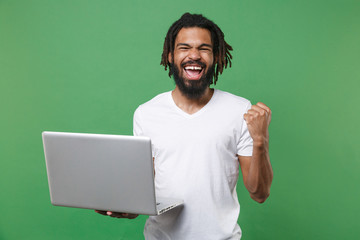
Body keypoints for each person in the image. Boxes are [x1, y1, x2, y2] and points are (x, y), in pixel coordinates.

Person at [96, 13, 273, 239]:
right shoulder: (146, 114)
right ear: (170, 55)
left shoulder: (239, 110)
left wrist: (260, 140)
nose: (194, 55)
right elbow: (144, 195)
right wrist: (126, 210)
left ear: (216, 56)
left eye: (204, 48)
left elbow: (260, 193)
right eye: (184, 47)